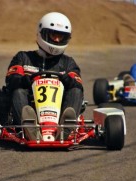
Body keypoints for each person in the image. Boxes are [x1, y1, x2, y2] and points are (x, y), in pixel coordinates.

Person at [5, 12, 84, 140]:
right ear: (43, 33)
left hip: (58, 111)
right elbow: (10, 81)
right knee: (18, 91)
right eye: (54, 35)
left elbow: (78, 85)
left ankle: (65, 129)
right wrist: (25, 80)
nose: (57, 40)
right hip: (31, 107)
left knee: (76, 91)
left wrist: (67, 80)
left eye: (61, 36)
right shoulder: (23, 57)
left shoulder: (68, 63)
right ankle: (30, 128)